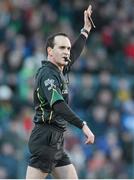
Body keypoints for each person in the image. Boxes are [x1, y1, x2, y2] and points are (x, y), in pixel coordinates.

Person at [26, 5, 95, 179]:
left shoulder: (59, 70)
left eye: (68, 48)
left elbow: (76, 53)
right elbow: (58, 105)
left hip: (55, 139)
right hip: (45, 138)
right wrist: (83, 125)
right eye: (62, 48)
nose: (67, 52)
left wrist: (85, 30)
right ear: (50, 52)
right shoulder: (48, 74)